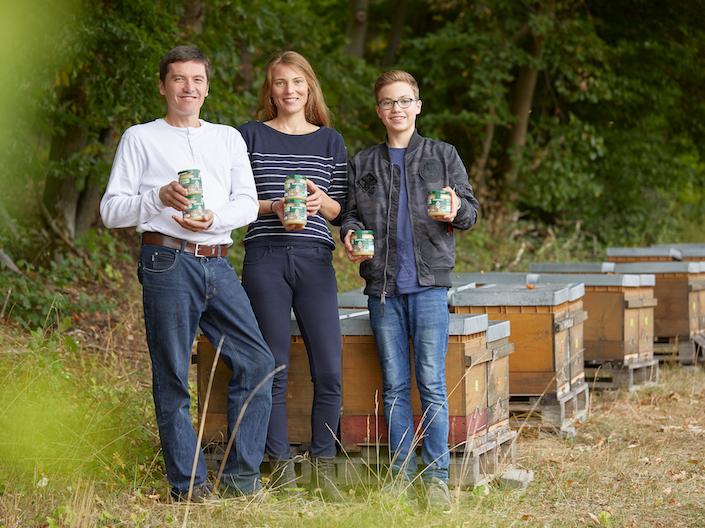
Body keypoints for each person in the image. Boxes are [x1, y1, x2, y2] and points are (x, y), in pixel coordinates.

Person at [99, 46, 275, 502]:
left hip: (217, 259)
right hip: (166, 260)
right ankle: (190, 486)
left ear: (207, 87)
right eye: (178, 79)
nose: (188, 88)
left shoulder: (227, 138)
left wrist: (212, 219)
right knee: (174, 373)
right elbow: (110, 211)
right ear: (163, 86)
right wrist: (158, 197)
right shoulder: (140, 138)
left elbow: (245, 201)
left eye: (197, 80)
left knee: (257, 362)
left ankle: (239, 481)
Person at [341, 70, 479, 511]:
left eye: (404, 101)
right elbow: (349, 216)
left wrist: (457, 209)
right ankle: (401, 473)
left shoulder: (443, 155)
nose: (396, 109)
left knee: (432, 383)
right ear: (378, 110)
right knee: (396, 386)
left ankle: (436, 476)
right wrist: (349, 235)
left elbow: (472, 213)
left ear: (417, 106)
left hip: (429, 288)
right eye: (387, 102)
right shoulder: (363, 162)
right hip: (382, 289)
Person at [237, 51, 346, 500]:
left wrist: (322, 202)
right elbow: (235, 200)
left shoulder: (330, 141)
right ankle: (280, 466)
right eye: (280, 82)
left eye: (297, 82)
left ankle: (322, 466)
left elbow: (343, 212)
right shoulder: (249, 136)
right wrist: (271, 207)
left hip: (314, 257)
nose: (289, 91)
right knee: (273, 366)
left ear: (309, 87)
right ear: (270, 89)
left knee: (330, 367)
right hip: (264, 255)